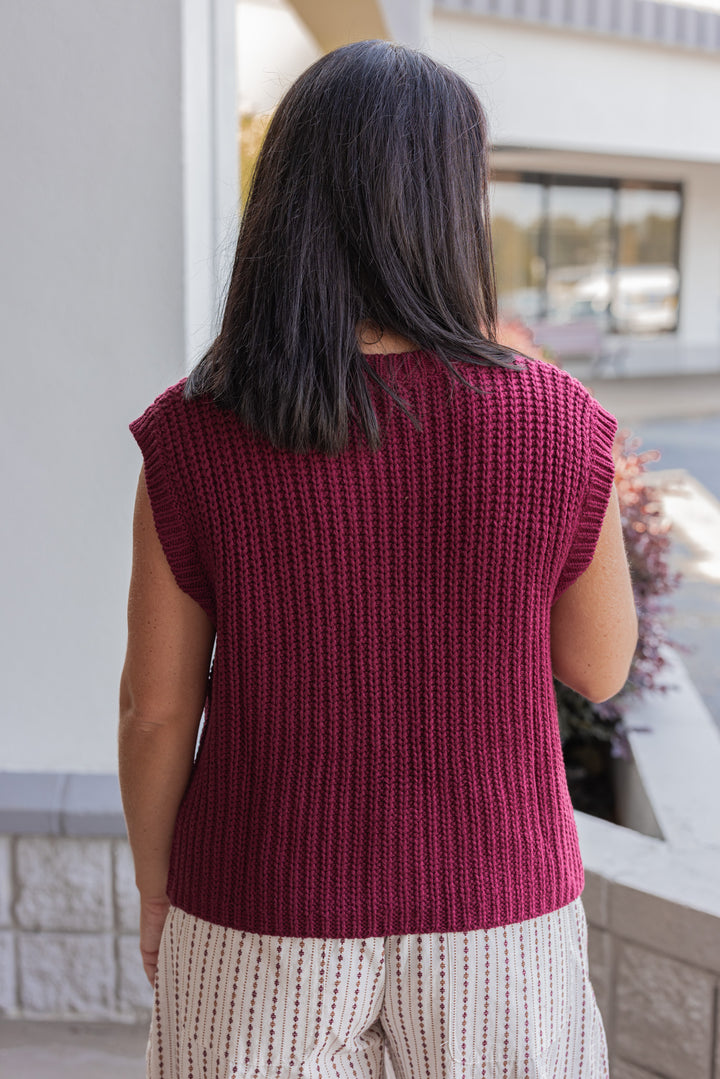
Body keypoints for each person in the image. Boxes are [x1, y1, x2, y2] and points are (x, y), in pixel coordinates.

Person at [119, 40, 637, 1079]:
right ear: (454, 209)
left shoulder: (196, 431)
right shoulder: (558, 426)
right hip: (500, 921)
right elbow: (599, 666)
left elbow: (157, 710)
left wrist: (155, 887)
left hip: (256, 909)